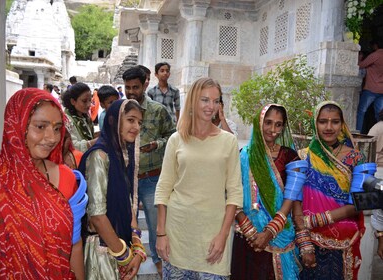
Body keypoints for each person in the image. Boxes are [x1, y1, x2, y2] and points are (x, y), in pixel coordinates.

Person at [0, 88, 85, 279]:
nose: (52, 138)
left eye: (56, 128)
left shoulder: (66, 178)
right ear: (16, 124)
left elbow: (74, 244)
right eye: (40, 126)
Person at [155, 77, 243, 279]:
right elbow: (164, 187)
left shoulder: (228, 141)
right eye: (205, 100)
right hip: (177, 234)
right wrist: (161, 233)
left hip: (213, 236)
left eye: (216, 100)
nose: (211, 106)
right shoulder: (176, 139)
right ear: (193, 101)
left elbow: (235, 193)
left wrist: (223, 235)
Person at [293, 101, 366, 279]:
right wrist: (304, 243)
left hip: (345, 243)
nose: (328, 127)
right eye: (323, 121)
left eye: (334, 121)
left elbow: (359, 202)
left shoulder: (356, 158)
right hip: (309, 242)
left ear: (342, 125)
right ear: (315, 124)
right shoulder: (303, 156)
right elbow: (295, 201)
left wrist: (315, 220)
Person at [230, 104, 302, 279]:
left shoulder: (290, 156)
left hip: (279, 234)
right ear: (259, 124)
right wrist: (249, 230)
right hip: (248, 237)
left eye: (278, 124)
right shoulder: (244, 155)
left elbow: (292, 198)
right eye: (268, 123)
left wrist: (269, 232)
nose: (273, 130)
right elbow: (233, 193)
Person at [78, 99, 146, 280]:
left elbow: (128, 201)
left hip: (120, 247)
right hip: (103, 252)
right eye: (131, 120)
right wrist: (124, 256)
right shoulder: (99, 156)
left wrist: (137, 246)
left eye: (139, 122)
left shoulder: (121, 156)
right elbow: (97, 216)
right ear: (114, 121)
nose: (136, 127)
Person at [123, 67, 176, 276]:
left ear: (145, 84)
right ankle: (126, 262)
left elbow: (172, 137)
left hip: (151, 177)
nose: (131, 92)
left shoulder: (157, 110)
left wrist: (157, 144)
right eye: (127, 88)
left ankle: (159, 261)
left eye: (135, 87)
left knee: (157, 225)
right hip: (126, 179)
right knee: (126, 223)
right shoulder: (120, 111)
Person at [62, 82, 98, 152]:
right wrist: (96, 141)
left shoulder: (85, 116)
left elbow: (90, 136)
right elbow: (74, 146)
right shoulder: (66, 120)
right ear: (73, 101)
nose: (88, 105)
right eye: (84, 101)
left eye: (90, 100)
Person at [356, 41, 383, 133]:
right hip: (381, 90)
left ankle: (357, 133)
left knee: (361, 112)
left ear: (376, 45)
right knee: (380, 114)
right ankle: (380, 135)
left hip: (371, 89)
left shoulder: (376, 55)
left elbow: (360, 65)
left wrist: (359, 58)